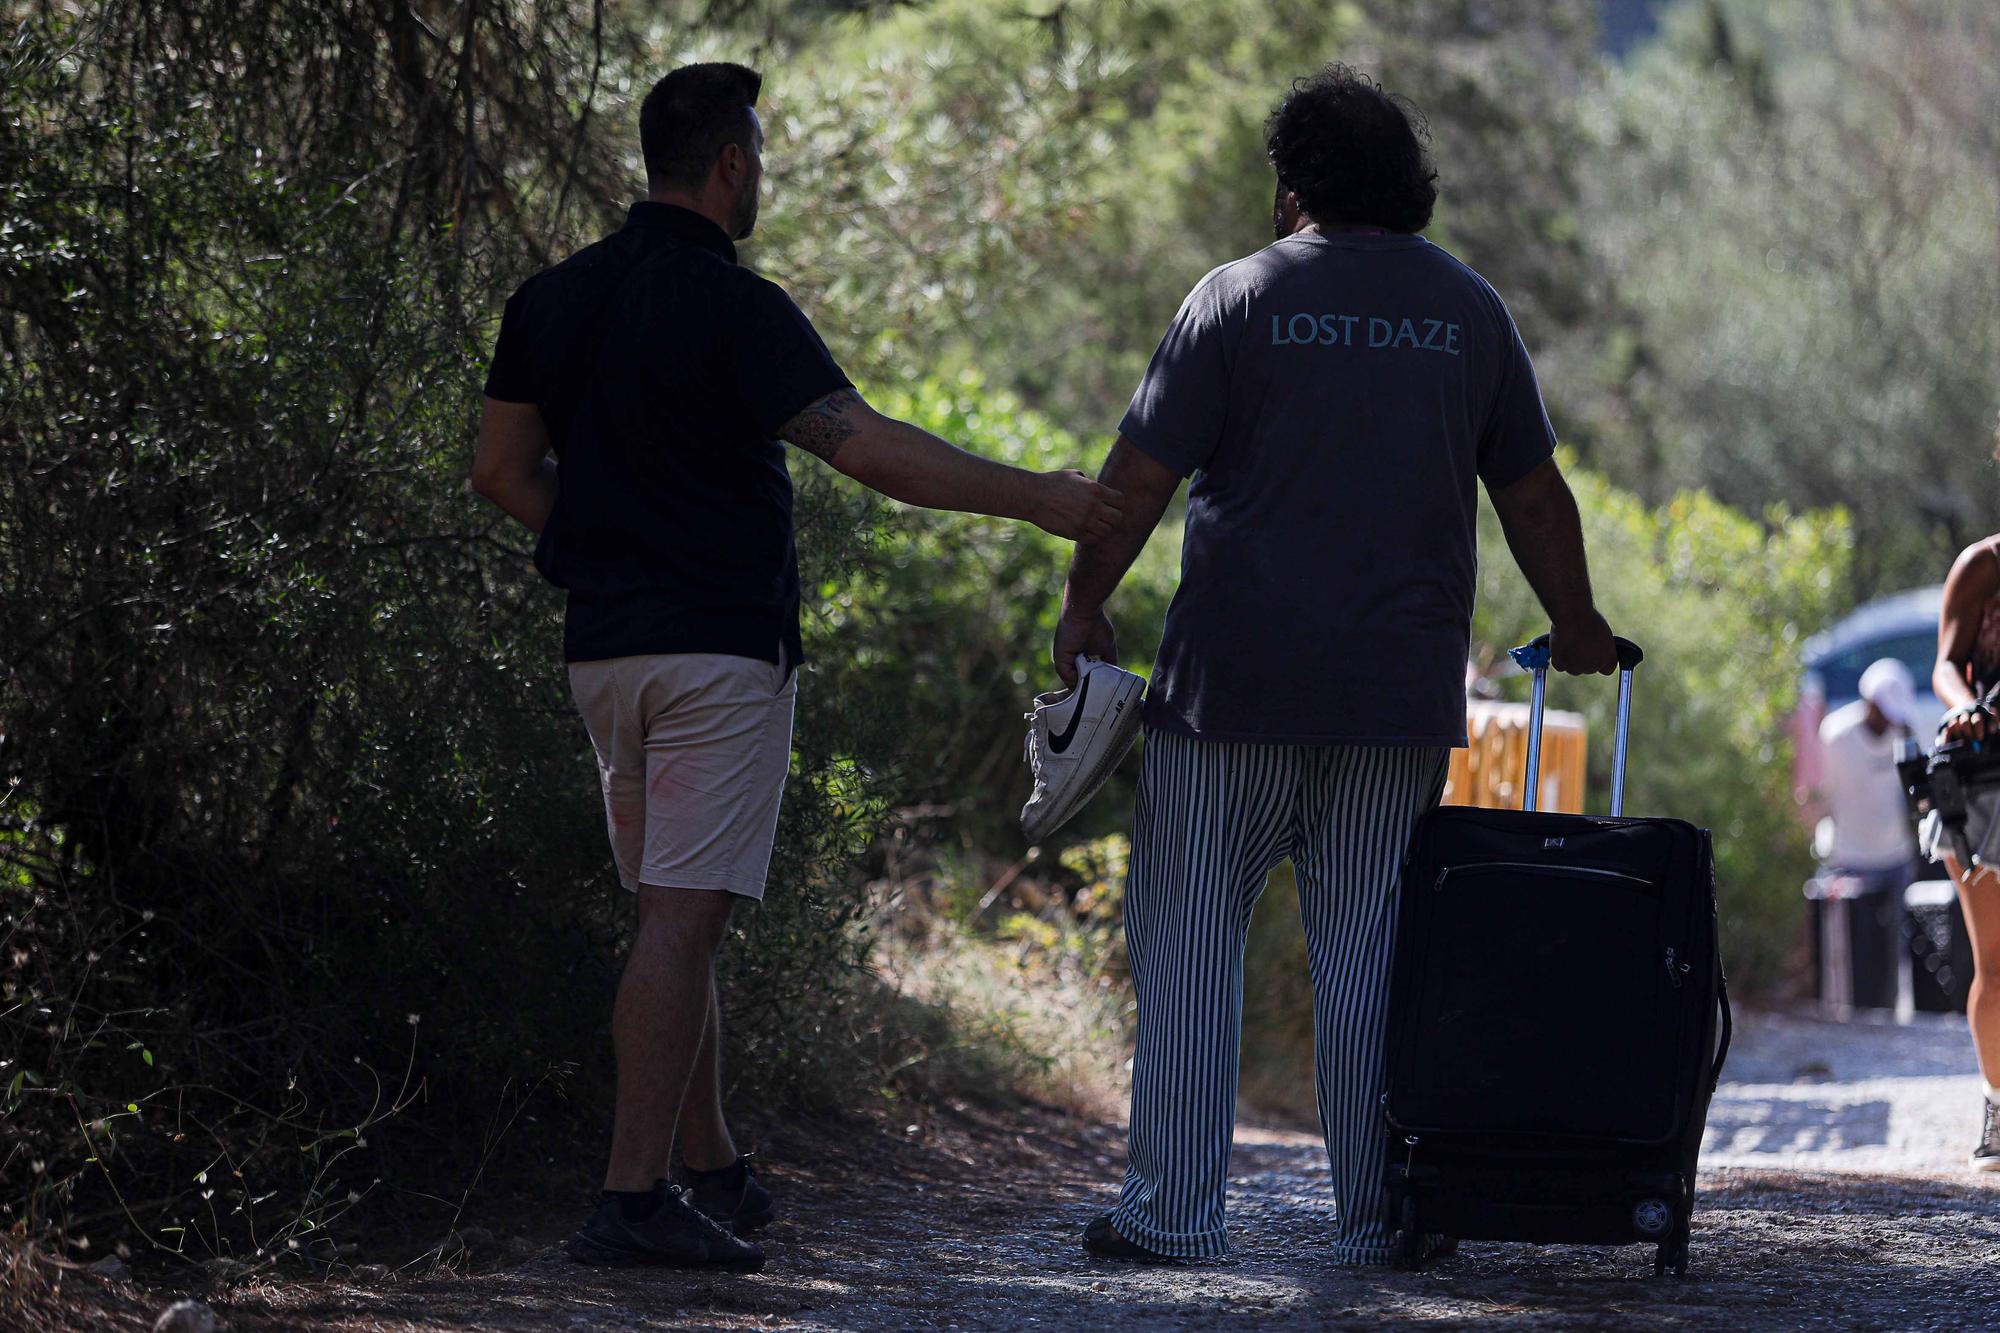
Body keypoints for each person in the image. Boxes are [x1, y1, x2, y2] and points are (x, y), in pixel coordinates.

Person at [471, 61, 1123, 1270]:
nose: (757, 174)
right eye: (756, 155)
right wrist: (1039, 499)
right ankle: (630, 1198)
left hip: (603, 656)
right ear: (730, 165)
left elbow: (502, 475)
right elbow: (868, 450)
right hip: (717, 651)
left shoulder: (550, 297)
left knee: (677, 911)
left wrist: (605, 543)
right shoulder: (736, 306)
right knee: (682, 918)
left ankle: (711, 1164)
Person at [1051, 64, 1618, 1264]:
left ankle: (1172, 1218)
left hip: (1227, 693)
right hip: (1394, 699)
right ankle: (1376, 1216)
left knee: (1192, 942)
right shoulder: (1467, 311)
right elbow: (1532, 494)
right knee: (1368, 956)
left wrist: (1081, 609)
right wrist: (1573, 627)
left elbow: (1132, 486)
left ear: (1292, 183)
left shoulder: (1233, 299)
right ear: (1404, 184)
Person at [1927, 469, 2000, 1171]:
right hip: (1985, 783)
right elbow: (1945, 665)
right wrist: (1964, 707)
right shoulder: (1984, 563)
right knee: (1997, 963)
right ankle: (1998, 1103)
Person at [1817, 658, 1920, 889]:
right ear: (1869, 703)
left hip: (1897, 855)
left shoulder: (1904, 733)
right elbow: (1825, 793)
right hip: (1850, 859)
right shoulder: (1836, 736)